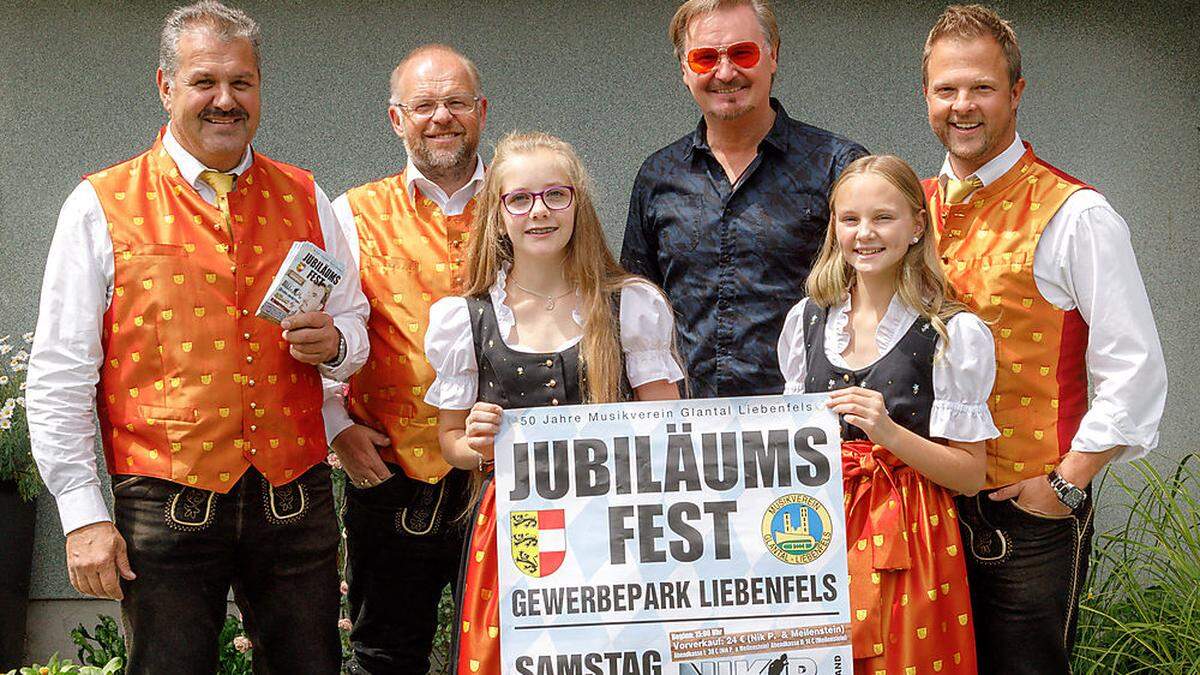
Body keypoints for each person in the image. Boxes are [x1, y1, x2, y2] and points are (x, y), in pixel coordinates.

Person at [25, 2, 369, 672]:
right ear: (165, 86)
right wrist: (81, 511)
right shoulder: (100, 203)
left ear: (259, 90)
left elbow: (356, 327)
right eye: (204, 81)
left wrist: (333, 344)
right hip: (164, 499)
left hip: (293, 494)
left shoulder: (306, 195)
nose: (224, 100)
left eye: (241, 83)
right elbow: (62, 371)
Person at [920, 6, 1167, 673]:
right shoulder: (906, 210)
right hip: (922, 512)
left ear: (1017, 93)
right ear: (927, 96)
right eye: (947, 89)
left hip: (1025, 516)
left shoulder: (1076, 213)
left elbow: (1135, 367)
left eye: (981, 87)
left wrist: (1066, 483)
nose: (962, 105)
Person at [424, 132, 685, 674]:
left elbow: (669, 429)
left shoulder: (628, 305)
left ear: (578, 203)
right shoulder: (465, 318)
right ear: (497, 214)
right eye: (519, 199)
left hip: (620, 533)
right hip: (520, 536)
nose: (538, 212)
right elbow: (450, 445)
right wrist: (475, 444)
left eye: (555, 195)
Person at [779, 155, 998, 674]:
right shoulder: (807, 320)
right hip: (815, 526)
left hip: (911, 532)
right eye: (850, 219)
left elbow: (970, 475)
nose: (864, 233)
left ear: (917, 225)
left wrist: (889, 432)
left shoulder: (950, 332)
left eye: (883, 217)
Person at [324, 44, 487, 674]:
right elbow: (312, 334)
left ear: (480, 111)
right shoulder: (351, 213)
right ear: (398, 119)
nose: (441, 117)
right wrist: (336, 430)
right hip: (391, 476)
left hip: (505, 476)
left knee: (510, 652)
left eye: (455, 103)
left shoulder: (524, 202)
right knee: (384, 657)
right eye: (424, 105)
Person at [621, 0, 867, 399]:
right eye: (704, 59)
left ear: (773, 56)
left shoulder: (837, 166)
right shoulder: (658, 175)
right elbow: (636, 307)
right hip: (689, 429)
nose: (725, 72)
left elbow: (875, 296)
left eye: (742, 53)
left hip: (804, 424)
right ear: (684, 71)